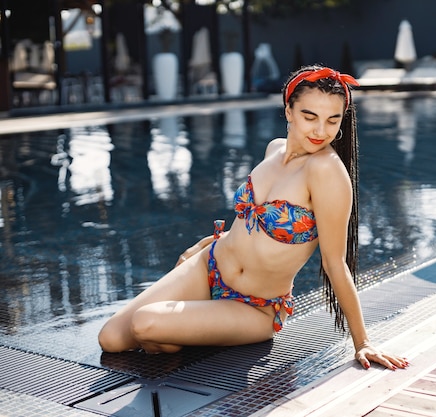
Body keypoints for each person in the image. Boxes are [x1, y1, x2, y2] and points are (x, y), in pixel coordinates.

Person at [98, 65, 409, 371]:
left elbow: (334, 263)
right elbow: (249, 221)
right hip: (210, 265)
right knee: (110, 338)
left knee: (145, 324)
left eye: (332, 120)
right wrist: (203, 245)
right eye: (309, 116)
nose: (320, 131)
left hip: (255, 306)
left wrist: (363, 343)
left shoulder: (327, 173)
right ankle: (188, 326)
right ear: (289, 111)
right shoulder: (274, 149)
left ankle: (186, 328)